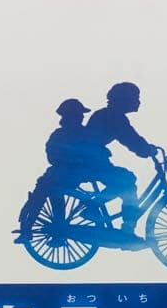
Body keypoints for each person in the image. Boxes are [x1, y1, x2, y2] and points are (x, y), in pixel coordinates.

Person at [78, 82, 157, 238]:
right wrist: (146, 150)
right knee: (126, 182)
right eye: (135, 98)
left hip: (92, 159)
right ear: (124, 100)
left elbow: (131, 137)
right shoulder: (114, 117)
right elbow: (131, 139)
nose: (138, 101)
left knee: (125, 179)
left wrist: (145, 148)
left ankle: (96, 206)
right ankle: (126, 228)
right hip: (92, 160)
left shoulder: (108, 114)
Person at [15, 98, 90, 243]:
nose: (81, 117)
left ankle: (53, 230)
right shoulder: (59, 135)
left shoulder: (83, 134)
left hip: (73, 174)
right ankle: (29, 229)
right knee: (41, 194)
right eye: (78, 114)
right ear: (70, 116)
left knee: (50, 190)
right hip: (58, 173)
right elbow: (51, 155)